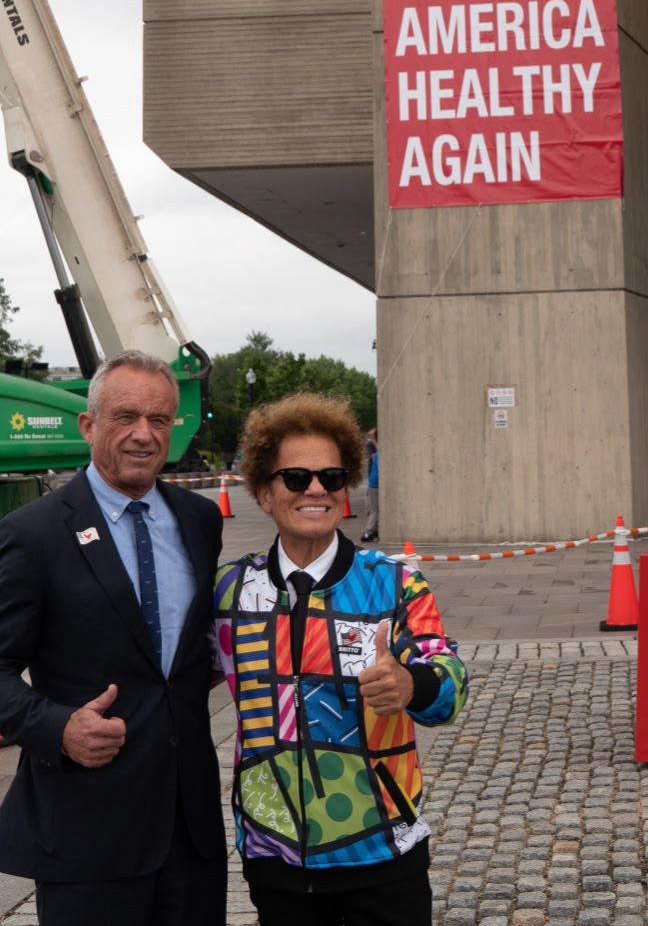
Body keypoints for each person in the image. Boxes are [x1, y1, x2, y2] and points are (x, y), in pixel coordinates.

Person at [0, 350, 227, 926]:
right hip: (88, 829)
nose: (143, 434)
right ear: (89, 425)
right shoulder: (33, 532)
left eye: (159, 419)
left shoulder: (200, 521)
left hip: (190, 829)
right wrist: (58, 727)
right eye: (125, 416)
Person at [214, 393, 466, 924]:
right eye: (296, 477)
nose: (315, 489)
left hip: (383, 852)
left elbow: (449, 684)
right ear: (264, 493)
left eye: (331, 477)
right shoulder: (229, 591)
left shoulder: (395, 583)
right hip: (275, 856)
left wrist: (412, 684)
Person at [361, 429, 379, 542]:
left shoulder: (378, 453)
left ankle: (373, 531)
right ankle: (368, 532)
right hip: (375, 485)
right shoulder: (379, 453)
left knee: (374, 510)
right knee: (374, 511)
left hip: (374, 484)